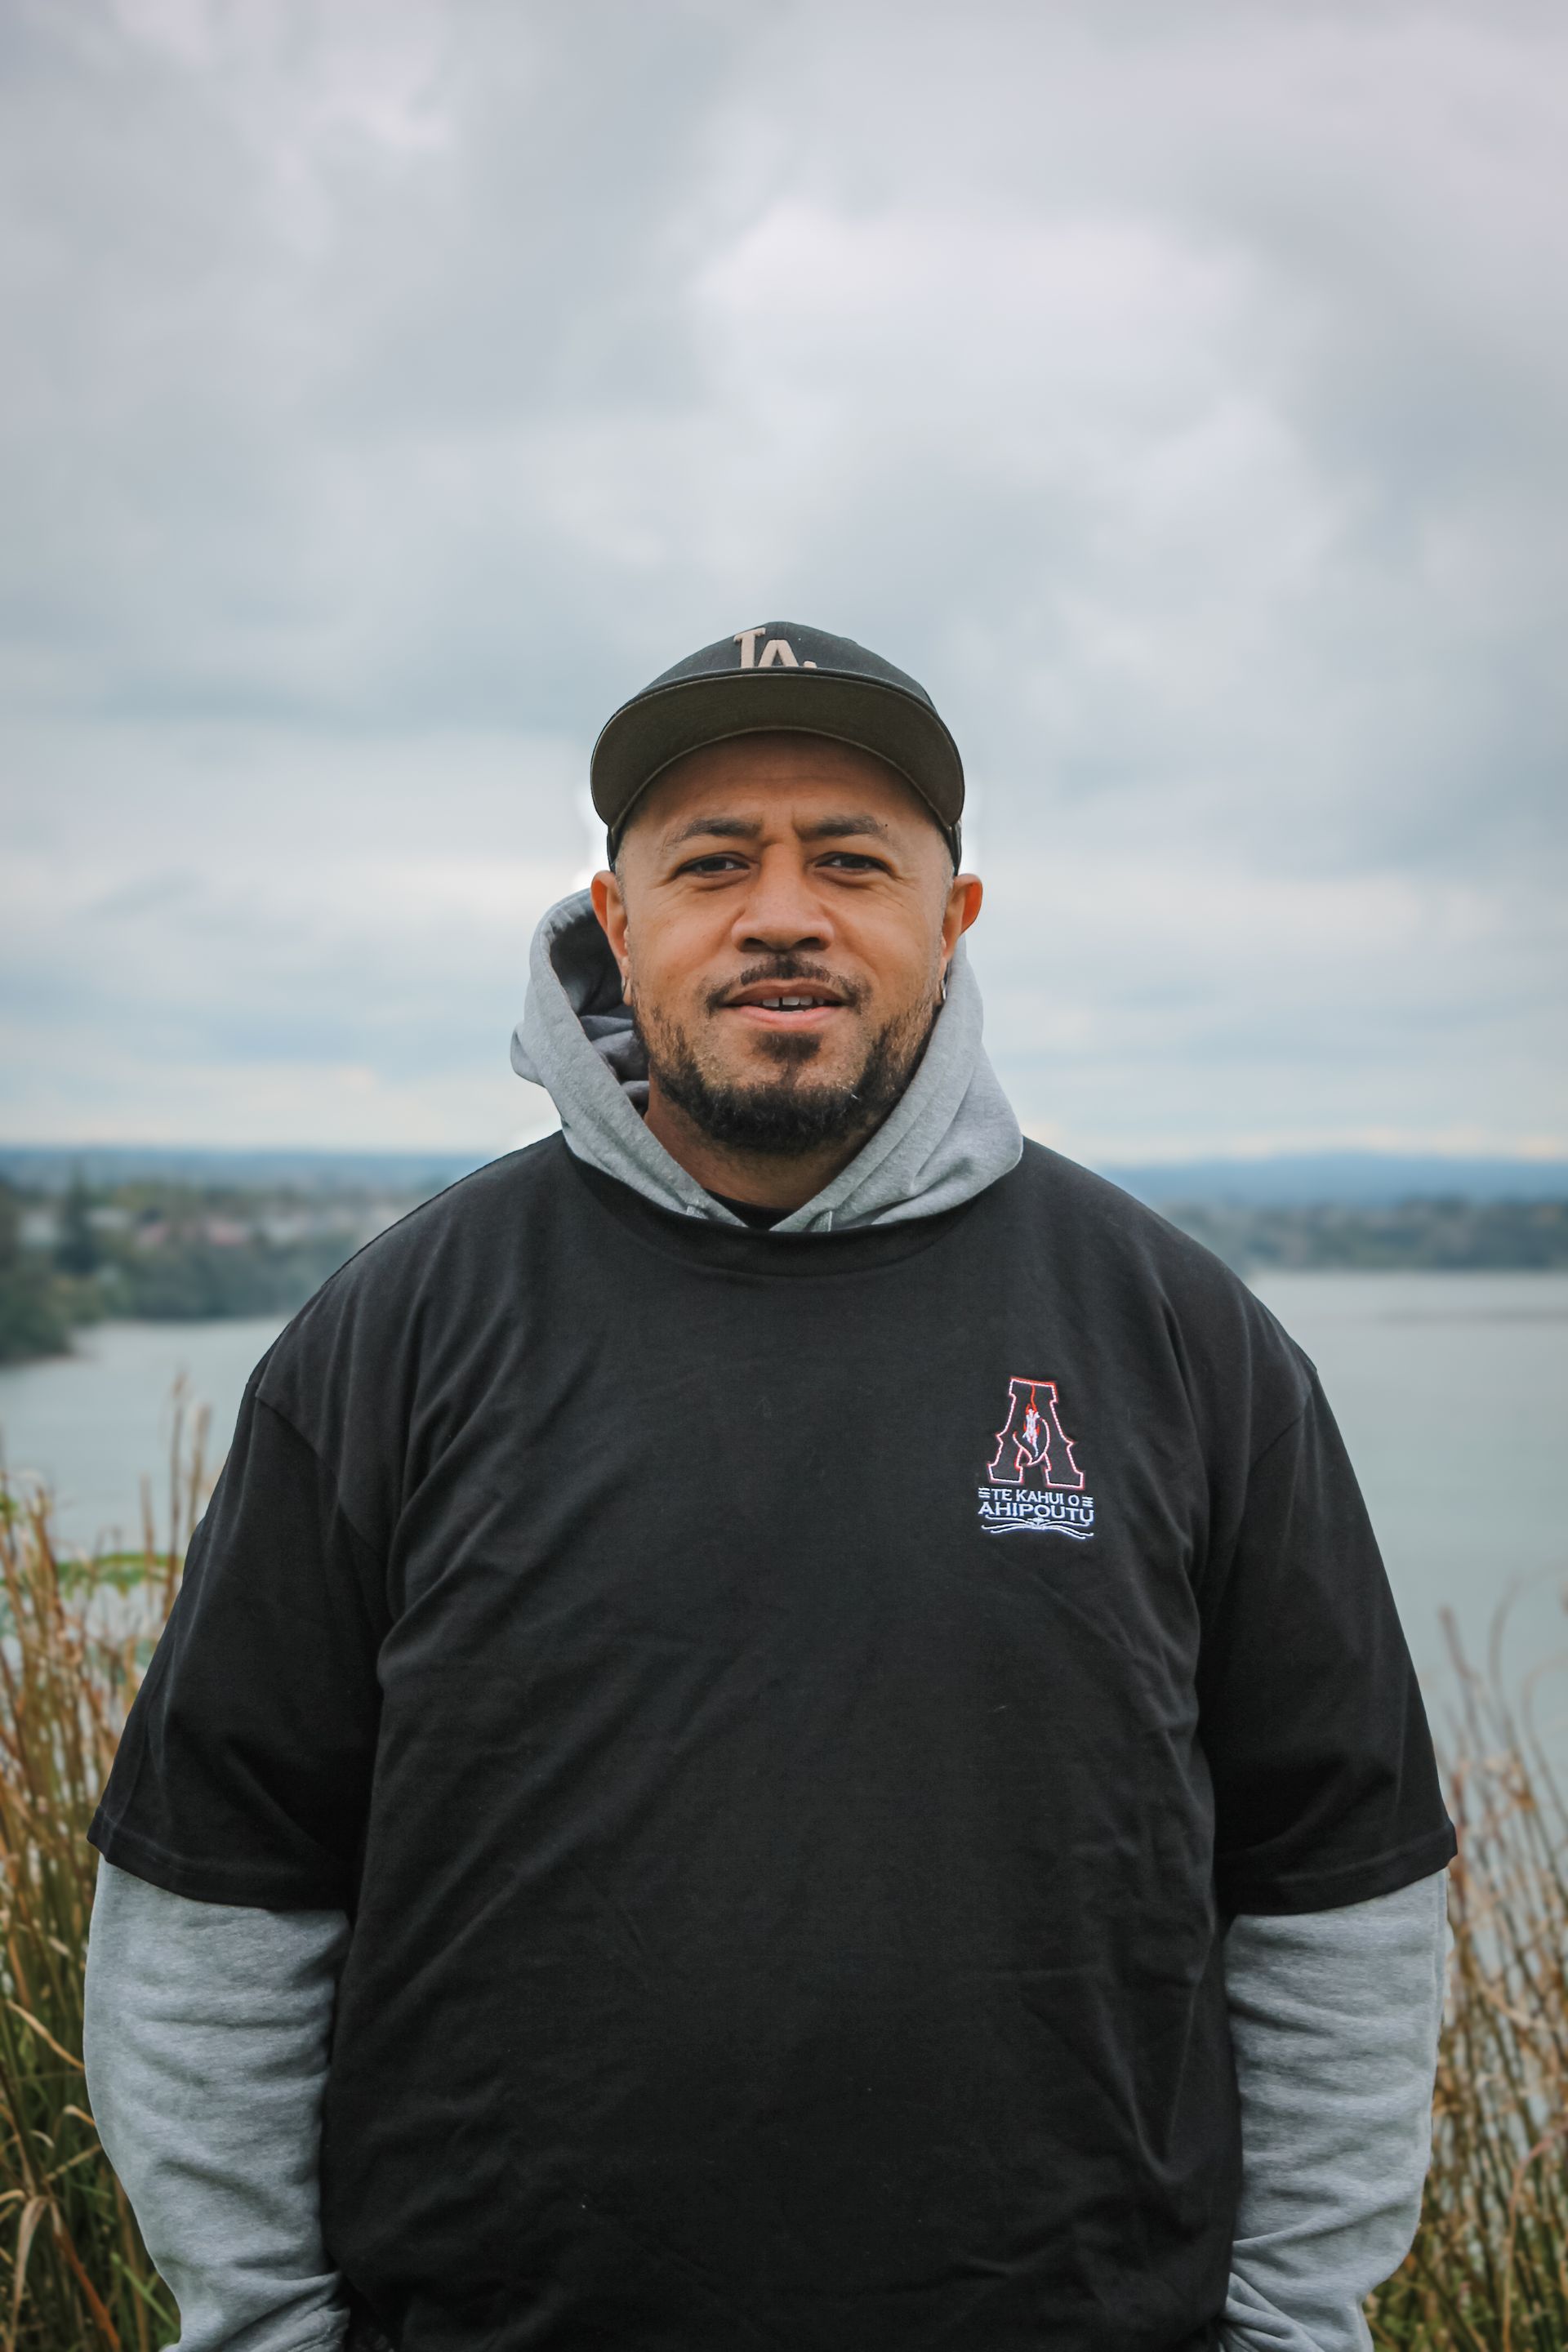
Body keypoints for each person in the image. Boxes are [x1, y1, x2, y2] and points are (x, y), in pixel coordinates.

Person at [83, 621, 1454, 2352]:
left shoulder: (1181, 1341)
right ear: (618, 917)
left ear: (951, 924)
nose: (785, 912)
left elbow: (1341, 1888)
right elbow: (220, 1890)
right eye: (715, 861)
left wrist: (1296, 2326)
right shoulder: (396, 1335)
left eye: (853, 862)